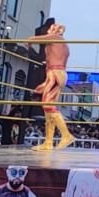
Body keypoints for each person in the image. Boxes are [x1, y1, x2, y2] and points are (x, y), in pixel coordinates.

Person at [26, 22, 74, 151]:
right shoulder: (60, 45)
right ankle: (48, 142)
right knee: (47, 109)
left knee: (48, 105)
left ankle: (66, 135)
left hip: (55, 74)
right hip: (55, 74)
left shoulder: (56, 38)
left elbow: (33, 39)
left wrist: (29, 41)